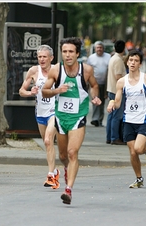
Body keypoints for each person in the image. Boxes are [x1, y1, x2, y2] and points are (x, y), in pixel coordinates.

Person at [42, 37, 101, 205]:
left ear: (77, 53)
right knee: (62, 155)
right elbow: (44, 91)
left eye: (71, 52)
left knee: (72, 152)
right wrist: (57, 90)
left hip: (78, 117)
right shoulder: (55, 70)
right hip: (61, 117)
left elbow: (95, 85)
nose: (67, 55)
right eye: (64, 52)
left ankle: (68, 190)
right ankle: (67, 170)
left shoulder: (87, 70)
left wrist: (95, 97)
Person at [107, 49, 146, 189]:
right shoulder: (122, 82)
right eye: (131, 60)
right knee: (132, 152)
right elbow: (118, 101)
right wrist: (111, 103)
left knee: (139, 149)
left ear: (140, 64)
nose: (133, 63)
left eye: (136, 61)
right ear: (127, 62)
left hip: (143, 120)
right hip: (128, 121)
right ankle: (139, 178)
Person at [18, 45, 60, 189]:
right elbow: (21, 91)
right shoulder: (33, 71)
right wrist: (30, 92)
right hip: (40, 112)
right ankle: (55, 171)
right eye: (39, 57)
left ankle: (50, 175)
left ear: (51, 58)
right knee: (46, 142)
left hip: (55, 111)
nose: (42, 59)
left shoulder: (58, 70)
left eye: (44, 57)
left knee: (48, 140)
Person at [106, 40, 126, 145]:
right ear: (124, 48)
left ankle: (109, 137)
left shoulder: (113, 58)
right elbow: (118, 76)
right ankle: (115, 137)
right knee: (117, 115)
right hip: (117, 91)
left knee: (111, 115)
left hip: (111, 89)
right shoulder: (118, 60)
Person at [86, 40, 111, 127]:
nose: (99, 49)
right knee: (95, 100)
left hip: (105, 83)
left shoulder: (108, 57)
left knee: (102, 102)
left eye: (100, 47)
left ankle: (100, 120)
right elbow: (88, 70)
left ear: (103, 48)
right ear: (95, 49)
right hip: (94, 83)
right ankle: (95, 119)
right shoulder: (91, 58)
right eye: (97, 48)